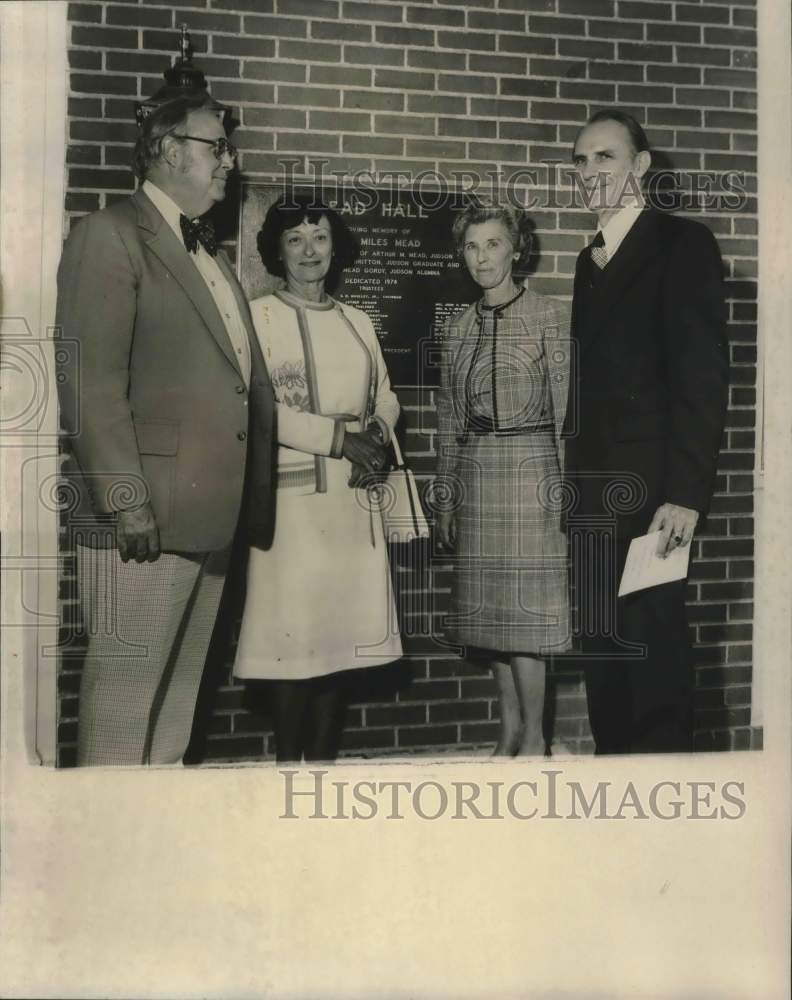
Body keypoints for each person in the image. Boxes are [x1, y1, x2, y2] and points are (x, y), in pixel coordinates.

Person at [56, 93, 276, 766]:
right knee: (124, 709)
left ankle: (155, 854)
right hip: (144, 518)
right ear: (170, 150)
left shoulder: (209, 255)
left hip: (208, 518)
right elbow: (89, 386)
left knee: (176, 707)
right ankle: (107, 865)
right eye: (218, 148)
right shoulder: (110, 235)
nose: (229, 163)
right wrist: (127, 500)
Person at [564, 109, 729, 755]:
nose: (589, 172)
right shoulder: (590, 259)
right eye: (579, 161)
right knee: (605, 659)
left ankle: (665, 826)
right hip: (594, 504)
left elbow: (702, 381)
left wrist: (686, 495)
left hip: (657, 501)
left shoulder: (682, 244)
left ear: (641, 167)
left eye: (604, 157)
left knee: (654, 665)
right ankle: (615, 811)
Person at [233, 193, 402, 763]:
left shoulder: (357, 321)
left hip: (353, 503)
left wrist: (377, 431)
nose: (310, 251)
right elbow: (257, 410)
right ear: (276, 251)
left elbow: (388, 393)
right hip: (293, 507)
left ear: (336, 247)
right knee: (292, 640)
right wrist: (337, 440)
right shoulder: (257, 318)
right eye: (296, 239)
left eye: (321, 237)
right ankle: (288, 767)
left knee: (339, 642)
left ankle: (324, 769)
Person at [434, 200, 572, 756]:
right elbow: (447, 419)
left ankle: (537, 737)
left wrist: (566, 489)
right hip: (478, 473)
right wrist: (445, 498)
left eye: (493, 244)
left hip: (534, 469)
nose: (481, 256)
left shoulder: (549, 317)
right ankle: (508, 728)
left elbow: (567, 411)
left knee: (529, 616)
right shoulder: (459, 327)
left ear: (516, 249)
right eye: (472, 245)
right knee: (490, 616)